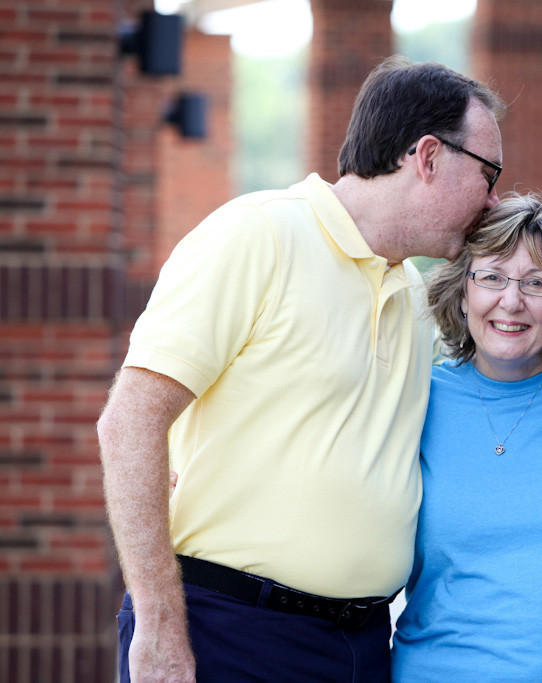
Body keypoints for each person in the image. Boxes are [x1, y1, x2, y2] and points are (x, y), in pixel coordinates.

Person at [96, 57, 503, 683]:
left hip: (365, 646)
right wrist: (157, 625)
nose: (493, 198)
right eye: (487, 172)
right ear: (427, 156)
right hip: (226, 635)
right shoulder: (256, 235)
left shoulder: (416, 297)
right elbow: (130, 421)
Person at [391, 195, 542, 681]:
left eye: (537, 283)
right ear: (462, 291)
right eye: (492, 276)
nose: (511, 300)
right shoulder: (412, 399)